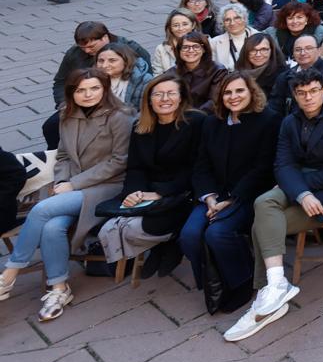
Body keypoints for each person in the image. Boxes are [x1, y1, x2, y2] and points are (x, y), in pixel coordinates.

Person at [224, 70, 323, 341]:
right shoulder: (290, 122)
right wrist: (301, 193)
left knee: (262, 226)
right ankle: (276, 286)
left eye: (313, 91)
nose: (308, 97)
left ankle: (264, 296)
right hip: (302, 187)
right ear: (294, 95)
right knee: (263, 203)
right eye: (301, 93)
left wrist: (303, 187)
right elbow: (282, 164)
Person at [0, 69, 131, 320]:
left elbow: (119, 161)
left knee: (42, 209)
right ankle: (60, 288)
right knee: (51, 228)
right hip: (72, 185)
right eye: (80, 90)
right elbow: (62, 156)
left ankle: (9, 274)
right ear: (72, 93)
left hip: (110, 185)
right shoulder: (66, 115)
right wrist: (62, 180)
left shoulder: (120, 116)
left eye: (94, 88)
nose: (88, 94)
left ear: (105, 89)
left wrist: (75, 183)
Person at [182, 71, 279, 314]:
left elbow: (263, 168)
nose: (233, 97)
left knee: (218, 234)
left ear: (251, 92)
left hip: (248, 195)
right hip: (213, 196)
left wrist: (230, 199)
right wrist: (210, 197)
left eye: (239, 91)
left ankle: (242, 282)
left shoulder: (268, 120)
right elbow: (201, 165)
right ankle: (214, 279)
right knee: (190, 235)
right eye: (227, 92)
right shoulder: (211, 122)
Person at [96, 76, 201, 278]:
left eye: (171, 93)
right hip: (147, 195)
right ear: (149, 99)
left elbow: (197, 169)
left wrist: (159, 193)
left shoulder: (197, 122)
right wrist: (135, 193)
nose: (164, 99)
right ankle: (161, 244)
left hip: (183, 194)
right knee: (108, 228)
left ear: (181, 97)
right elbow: (135, 168)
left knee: (139, 228)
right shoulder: (141, 126)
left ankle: (169, 241)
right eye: (158, 94)